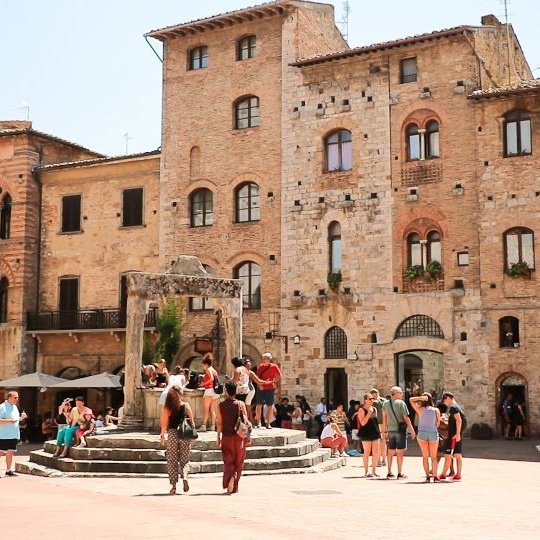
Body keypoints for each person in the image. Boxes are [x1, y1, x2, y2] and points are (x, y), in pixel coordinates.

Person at [160, 386, 195, 495]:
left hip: (173, 433)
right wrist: (192, 436)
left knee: (171, 459)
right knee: (185, 458)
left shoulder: (168, 407)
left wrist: (162, 436)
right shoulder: (186, 405)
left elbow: (164, 424)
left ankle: (174, 486)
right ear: (180, 394)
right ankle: (185, 476)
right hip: (184, 434)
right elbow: (192, 422)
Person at [216, 381, 250, 494]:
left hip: (227, 436)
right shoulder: (241, 404)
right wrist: (248, 436)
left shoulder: (221, 405)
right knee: (239, 461)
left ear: (226, 392)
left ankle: (230, 478)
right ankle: (235, 485)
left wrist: (218, 436)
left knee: (228, 459)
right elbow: (246, 422)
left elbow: (219, 423)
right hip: (240, 437)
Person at [382, 386, 416, 479]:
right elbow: (406, 418)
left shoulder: (385, 403)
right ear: (395, 393)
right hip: (400, 431)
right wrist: (412, 430)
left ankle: (389, 472)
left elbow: (384, 418)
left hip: (390, 430)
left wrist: (384, 431)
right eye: (401, 392)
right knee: (400, 452)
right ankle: (400, 473)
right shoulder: (401, 403)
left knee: (390, 451)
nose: (402, 394)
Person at [409, 392, 440, 482]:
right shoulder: (436, 410)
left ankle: (427, 476)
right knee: (434, 457)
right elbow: (437, 424)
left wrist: (421, 398)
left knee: (425, 456)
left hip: (422, 433)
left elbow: (411, 400)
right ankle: (434, 475)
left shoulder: (420, 409)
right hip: (432, 433)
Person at [439, 392, 465, 481]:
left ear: (448, 398)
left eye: (444, 400)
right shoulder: (457, 407)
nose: (444, 402)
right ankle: (458, 474)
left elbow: (459, 420)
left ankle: (443, 474)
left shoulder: (453, 407)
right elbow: (457, 420)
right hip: (456, 435)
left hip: (453, 435)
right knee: (457, 454)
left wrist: (457, 433)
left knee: (448, 455)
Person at [254, 353, 282, 429]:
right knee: (259, 405)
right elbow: (257, 377)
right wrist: (259, 385)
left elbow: (279, 375)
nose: (264, 360)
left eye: (266, 358)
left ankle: (268, 423)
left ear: (269, 359)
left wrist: (275, 382)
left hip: (270, 388)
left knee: (270, 406)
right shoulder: (260, 366)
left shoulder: (274, 366)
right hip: (261, 388)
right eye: (264, 358)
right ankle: (259, 422)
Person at [0, 391, 25, 476]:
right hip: (4, 435)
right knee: (1, 452)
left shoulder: (15, 407)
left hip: (14, 434)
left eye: (17, 397)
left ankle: (8, 470)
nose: (17, 399)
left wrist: (21, 418)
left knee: (10, 452)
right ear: (9, 397)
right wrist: (9, 421)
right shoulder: (2, 407)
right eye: (15, 397)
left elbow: (15, 419)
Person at [357, 394, 381, 477]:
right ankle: (366, 471)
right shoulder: (361, 409)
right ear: (365, 400)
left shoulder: (374, 409)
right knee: (367, 452)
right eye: (370, 399)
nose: (372, 400)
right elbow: (363, 423)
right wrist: (369, 413)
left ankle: (374, 471)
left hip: (375, 432)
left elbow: (375, 422)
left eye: (373, 399)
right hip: (366, 433)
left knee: (376, 452)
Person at [199, 353, 220, 431]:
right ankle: (212, 426)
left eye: (203, 365)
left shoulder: (208, 369)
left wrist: (203, 384)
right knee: (212, 409)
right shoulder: (213, 369)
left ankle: (203, 426)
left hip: (209, 390)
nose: (203, 366)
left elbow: (211, 379)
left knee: (206, 409)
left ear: (206, 364)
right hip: (215, 391)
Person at [370, 388, 387, 466]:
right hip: (384, 423)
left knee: (377, 443)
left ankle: (378, 461)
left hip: (376, 424)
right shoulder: (384, 401)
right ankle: (384, 460)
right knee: (383, 442)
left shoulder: (373, 402)